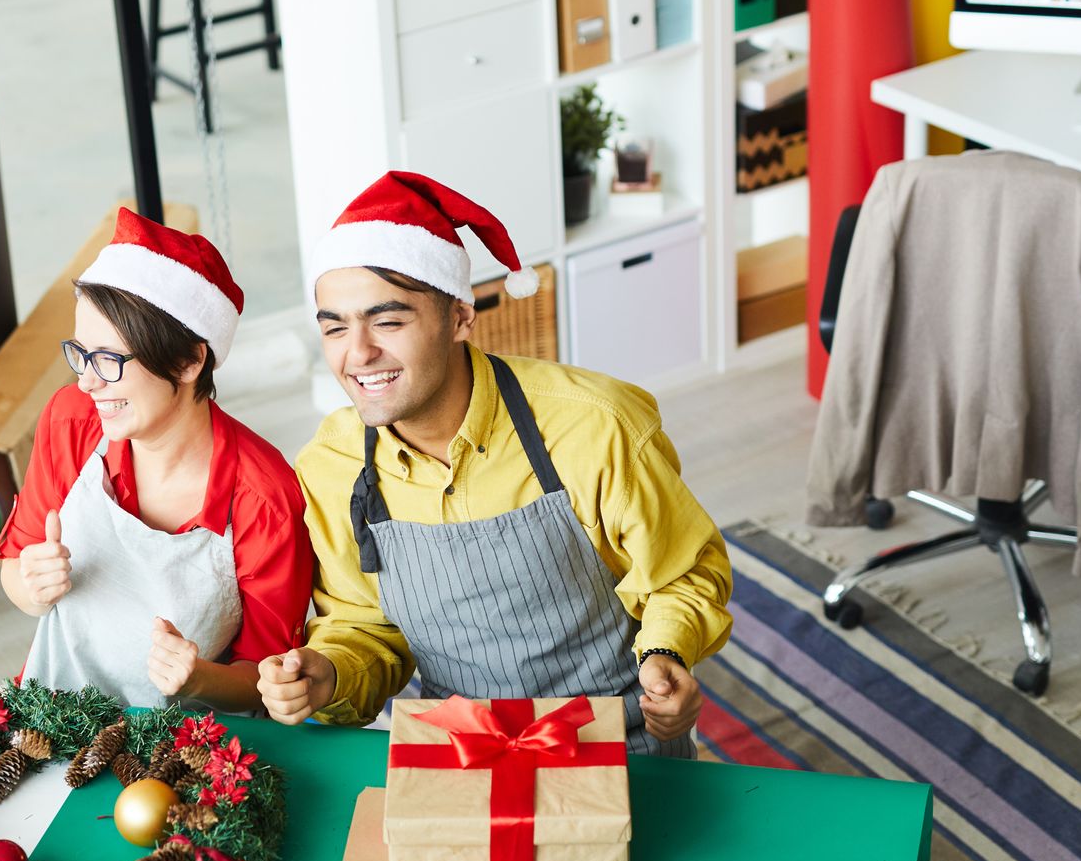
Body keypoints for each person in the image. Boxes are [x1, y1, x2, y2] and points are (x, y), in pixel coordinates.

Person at [256, 172, 733, 756]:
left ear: (460, 316)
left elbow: (682, 573)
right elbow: (363, 626)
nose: (357, 354)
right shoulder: (332, 463)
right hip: (457, 753)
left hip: (619, 743)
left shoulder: (595, 425)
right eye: (335, 328)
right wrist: (327, 673)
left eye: (388, 321)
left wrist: (666, 655)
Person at [0, 210, 312, 710]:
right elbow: (16, 565)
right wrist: (33, 588)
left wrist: (199, 679)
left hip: (193, 751)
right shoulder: (72, 421)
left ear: (189, 361)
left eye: (109, 360)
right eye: (81, 354)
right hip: (51, 714)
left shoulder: (265, 497)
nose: (87, 381)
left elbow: (268, 678)